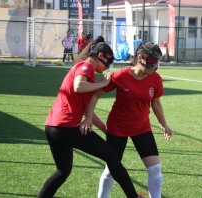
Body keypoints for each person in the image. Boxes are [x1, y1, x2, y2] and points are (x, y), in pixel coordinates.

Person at [38, 36, 141, 198]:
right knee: (111, 156)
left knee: (62, 171)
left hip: (52, 128)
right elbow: (78, 86)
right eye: (108, 62)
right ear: (100, 55)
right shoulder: (85, 66)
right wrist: (103, 84)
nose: (108, 67)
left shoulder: (89, 74)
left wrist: (105, 129)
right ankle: (133, 196)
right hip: (66, 128)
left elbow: (88, 112)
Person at [82, 42, 173, 198]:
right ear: (140, 58)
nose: (154, 66)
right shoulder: (120, 75)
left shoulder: (156, 79)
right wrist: (88, 118)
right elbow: (96, 95)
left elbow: (156, 103)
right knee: (111, 169)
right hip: (117, 128)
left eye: (157, 62)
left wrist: (164, 124)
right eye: (151, 61)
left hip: (142, 128)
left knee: (155, 169)